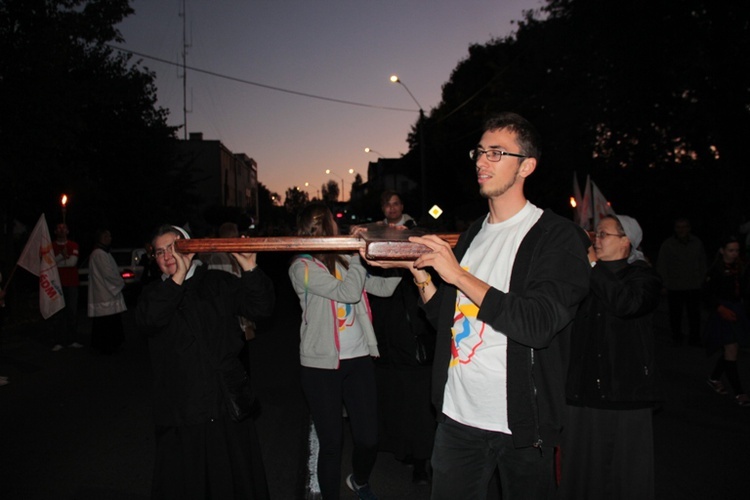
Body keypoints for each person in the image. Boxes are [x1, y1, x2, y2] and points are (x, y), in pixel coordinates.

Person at [363, 112, 591, 500]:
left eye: (496, 153)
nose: (482, 162)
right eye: (480, 152)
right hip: (457, 417)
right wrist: (418, 274)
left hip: (521, 426)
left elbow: (538, 324)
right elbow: (445, 318)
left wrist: (458, 275)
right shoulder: (472, 235)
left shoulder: (557, 237)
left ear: (527, 166)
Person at [136, 224, 275, 499]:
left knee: (233, 481)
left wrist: (250, 270)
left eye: (174, 247)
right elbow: (149, 320)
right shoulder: (153, 294)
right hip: (181, 412)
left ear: (190, 248)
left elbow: (262, 307)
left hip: (224, 406)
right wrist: (176, 279)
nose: (167, 255)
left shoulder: (217, 282)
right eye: (160, 251)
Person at [288, 203, 400, 500]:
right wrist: (358, 256)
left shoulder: (344, 260)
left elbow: (384, 289)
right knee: (332, 442)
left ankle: (360, 479)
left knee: (368, 438)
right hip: (321, 366)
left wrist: (404, 261)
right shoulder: (301, 267)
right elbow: (348, 293)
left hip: (359, 359)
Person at [560, 214, 662, 499]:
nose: (597, 240)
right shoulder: (586, 275)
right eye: (596, 235)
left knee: (623, 475)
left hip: (624, 394)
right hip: (582, 392)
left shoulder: (643, 277)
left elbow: (625, 304)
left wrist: (592, 265)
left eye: (604, 235)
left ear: (626, 241)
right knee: (580, 473)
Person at [367, 192, 436, 484]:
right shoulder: (375, 233)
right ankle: (404, 450)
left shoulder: (416, 232)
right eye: (387, 204)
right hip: (388, 332)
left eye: (396, 203)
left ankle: (420, 460)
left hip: (412, 331)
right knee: (395, 395)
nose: (392, 208)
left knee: (418, 399)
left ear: (403, 207)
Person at [703, 234, 750, 407]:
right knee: (731, 350)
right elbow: (707, 295)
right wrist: (720, 308)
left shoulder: (740, 267)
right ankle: (739, 392)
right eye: (731, 250)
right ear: (722, 251)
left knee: (732, 349)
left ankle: (714, 377)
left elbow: (743, 292)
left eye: (737, 250)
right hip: (723, 312)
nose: (734, 254)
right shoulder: (715, 270)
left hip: (737, 310)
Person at [657, 217, 707, 346]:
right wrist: (663, 283)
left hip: (693, 285)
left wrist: (702, 280)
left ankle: (695, 338)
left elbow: (702, 262)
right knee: (675, 315)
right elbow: (662, 264)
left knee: (694, 315)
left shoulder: (696, 243)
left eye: (684, 227)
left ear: (689, 228)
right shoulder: (668, 244)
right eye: (679, 227)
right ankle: (677, 337)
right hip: (674, 286)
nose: (681, 230)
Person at [87, 228, 126, 354]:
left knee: (107, 322)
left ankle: (109, 344)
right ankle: (106, 345)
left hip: (106, 291)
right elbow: (108, 274)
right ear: (102, 238)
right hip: (104, 293)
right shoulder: (99, 254)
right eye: (107, 236)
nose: (110, 238)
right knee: (106, 323)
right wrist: (120, 282)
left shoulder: (103, 253)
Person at [51, 222, 83, 351]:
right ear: (55, 231)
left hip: (71, 284)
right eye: (59, 228)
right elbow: (49, 263)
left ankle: (72, 340)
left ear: (68, 231)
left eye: (64, 227)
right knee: (58, 313)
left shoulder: (73, 245)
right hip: (56, 284)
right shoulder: (51, 247)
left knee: (72, 312)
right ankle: (58, 341)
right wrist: (60, 256)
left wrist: (57, 261)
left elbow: (72, 262)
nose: (61, 229)